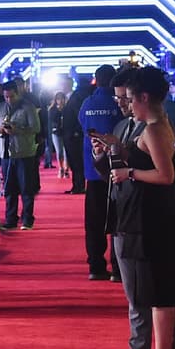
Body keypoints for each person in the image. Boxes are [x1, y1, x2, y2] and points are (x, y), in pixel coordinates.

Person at [101, 67, 175, 349]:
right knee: (158, 294)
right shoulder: (157, 126)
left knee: (153, 294)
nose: (128, 105)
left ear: (144, 98)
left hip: (149, 221)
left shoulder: (154, 129)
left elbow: (166, 175)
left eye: (131, 99)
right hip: (149, 218)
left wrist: (129, 173)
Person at [78, 65, 121, 279]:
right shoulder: (117, 104)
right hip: (116, 170)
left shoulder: (87, 103)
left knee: (94, 222)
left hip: (93, 170)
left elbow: (81, 124)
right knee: (118, 219)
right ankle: (118, 267)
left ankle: (95, 266)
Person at [0, 80, 41, 230]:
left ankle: (27, 219)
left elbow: (36, 128)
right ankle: (10, 218)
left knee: (26, 188)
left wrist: (16, 130)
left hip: (24, 152)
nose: (9, 99)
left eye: (11, 96)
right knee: (9, 188)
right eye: (6, 97)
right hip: (5, 153)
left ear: (17, 94)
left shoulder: (28, 107)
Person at [62, 74, 91, 193]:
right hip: (70, 134)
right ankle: (77, 185)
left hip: (74, 135)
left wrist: (76, 131)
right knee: (74, 161)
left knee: (76, 161)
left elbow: (78, 114)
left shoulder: (77, 96)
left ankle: (79, 186)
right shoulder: (73, 96)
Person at [47, 91, 69, 178]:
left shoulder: (67, 108)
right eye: (58, 99)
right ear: (55, 100)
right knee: (59, 151)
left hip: (66, 132)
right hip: (56, 133)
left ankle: (66, 169)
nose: (60, 101)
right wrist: (58, 111)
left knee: (66, 151)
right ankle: (61, 168)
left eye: (62, 98)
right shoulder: (52, 109)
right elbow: (52, 120)